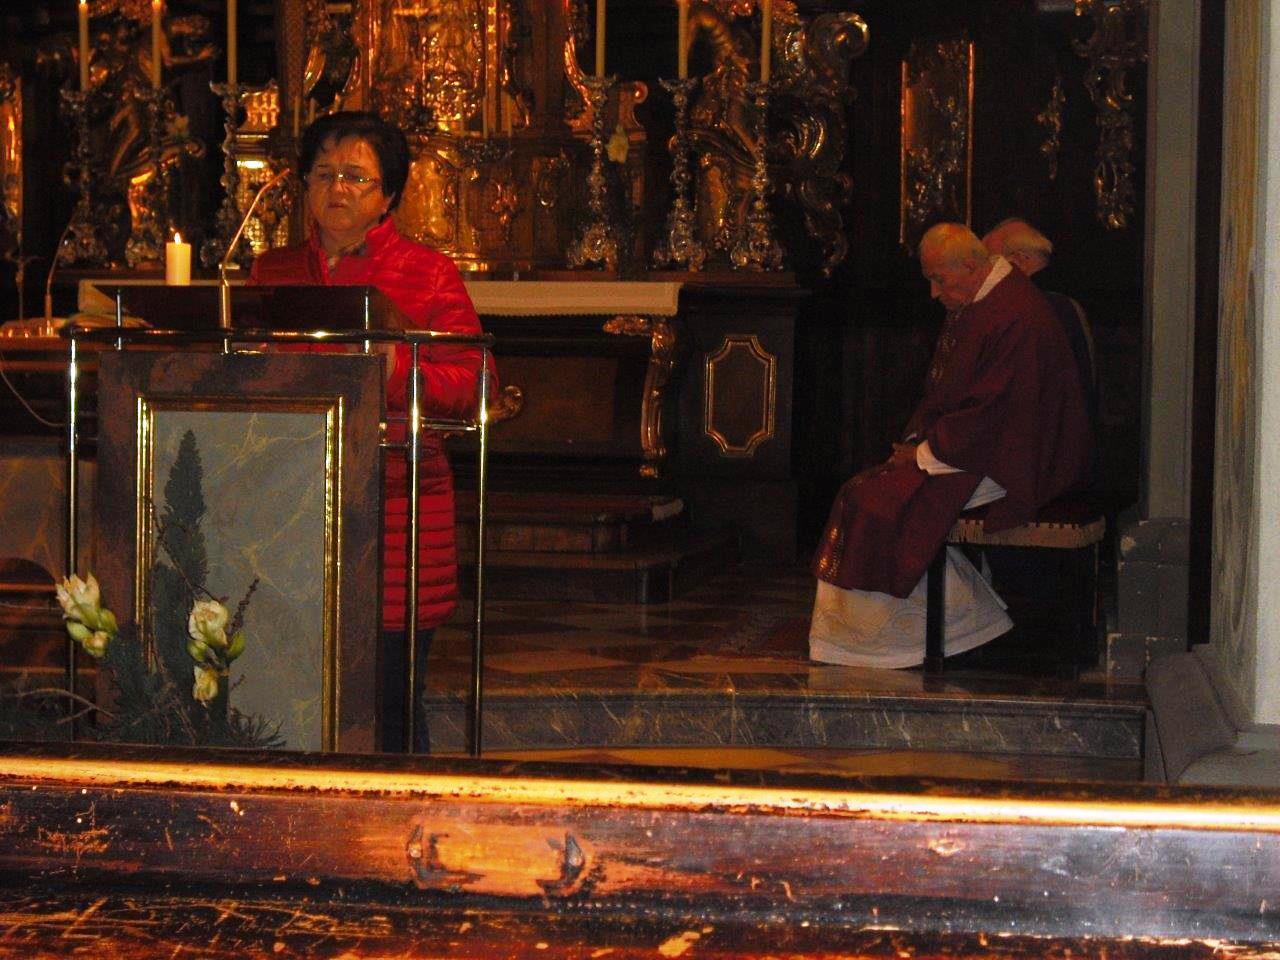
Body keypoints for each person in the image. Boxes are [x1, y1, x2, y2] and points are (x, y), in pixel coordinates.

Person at [251, 110, 486, 751]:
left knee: (388, 706)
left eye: (356, 176)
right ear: (304, 185)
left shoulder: (428, 274)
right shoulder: (272, 273)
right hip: (290, 507)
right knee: (291, 693)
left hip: (395, 515)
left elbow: (475, 382)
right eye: (323, 173)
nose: (338, 188)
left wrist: (398, 368)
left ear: (388, 196)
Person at [808, 222, 1092, 668]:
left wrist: (926, 452)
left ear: (973, 266)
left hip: (1015, 459)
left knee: (875, 503)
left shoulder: (1013, 314)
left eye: (939, 279)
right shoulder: (988, 300)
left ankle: (896, 639)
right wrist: (918, 442)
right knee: (870, 493)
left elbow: (993, 410)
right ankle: (965, 621)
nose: (934, 293)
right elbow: (953, 391)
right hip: (983, 447)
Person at [981, 217, 1096, 429]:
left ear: (1018, 261)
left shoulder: (1037, 308)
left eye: (991, 263)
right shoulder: (1065, 298)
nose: (984, 276)